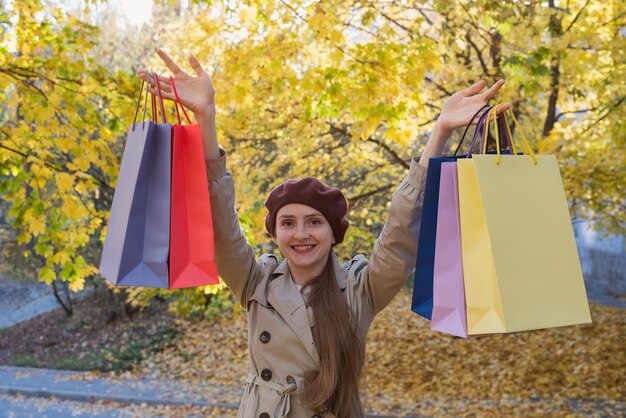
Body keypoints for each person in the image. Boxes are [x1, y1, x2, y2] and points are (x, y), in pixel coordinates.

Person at [138, 49, 510, 418]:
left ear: (334, 234)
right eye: (288, 223)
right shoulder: (255, 281)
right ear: (277, 233)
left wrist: (441, 131)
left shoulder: (361, 289)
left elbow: (400, 236)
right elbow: (220, 225)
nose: (301, 234)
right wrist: (206, 115)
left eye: (314, 222)